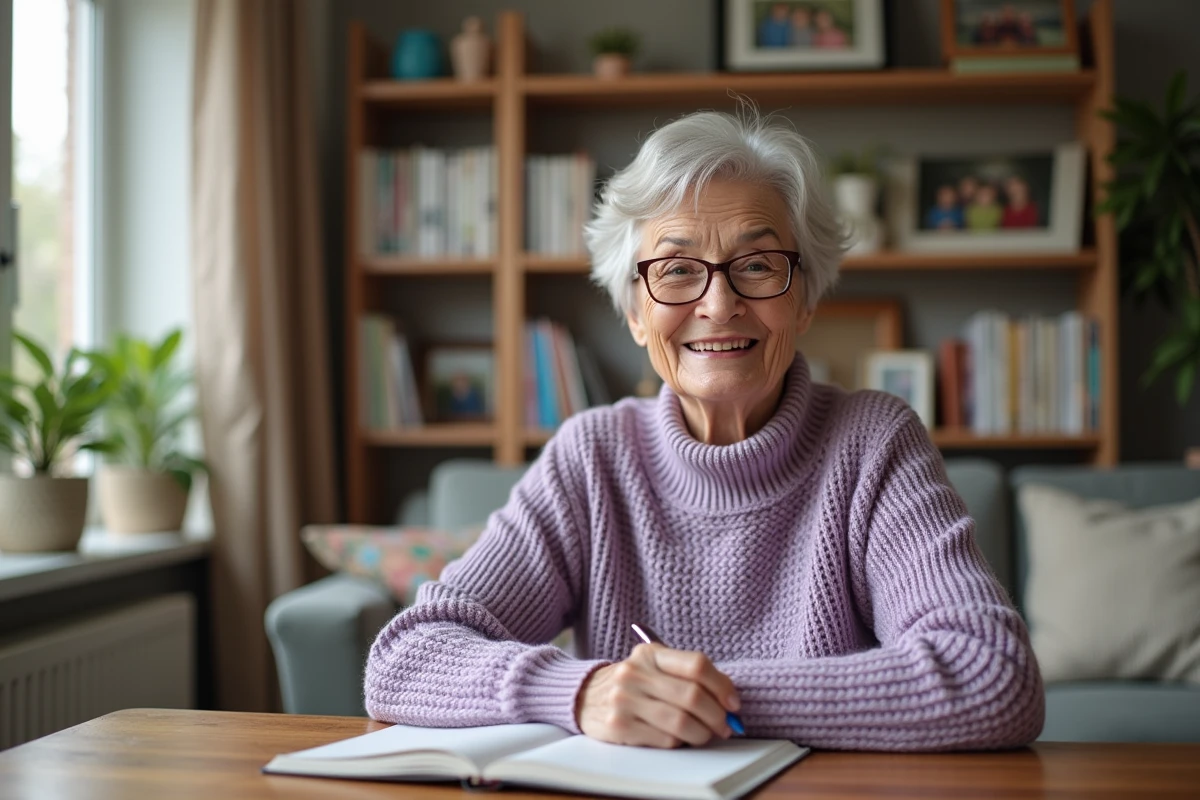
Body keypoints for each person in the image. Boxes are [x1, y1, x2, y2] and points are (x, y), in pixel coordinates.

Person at [364, 109, 1044, 752]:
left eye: (756, 265)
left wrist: (694, 699)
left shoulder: (873, 442)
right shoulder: (591, 457)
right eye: (677, 270)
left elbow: (992, 674)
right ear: (635, 312)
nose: (719, 305)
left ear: (804, 300)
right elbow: (402, 659)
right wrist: (586, 691)